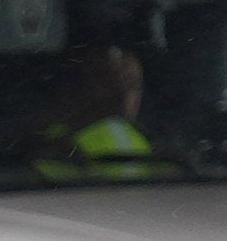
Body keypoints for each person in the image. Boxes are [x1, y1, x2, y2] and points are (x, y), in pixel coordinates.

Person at [34, 42, 170, 182]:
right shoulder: (54, 150)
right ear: (82, 86)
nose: (121, 93)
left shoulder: (160, 148)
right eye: (107, 80)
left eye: (131, 84)